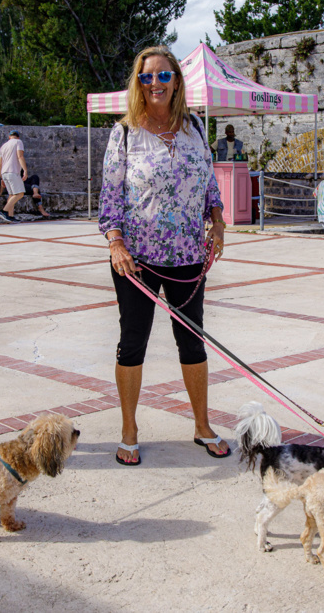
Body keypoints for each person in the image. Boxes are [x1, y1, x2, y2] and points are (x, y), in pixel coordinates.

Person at [99, 45, 228, 466]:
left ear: (176, 81)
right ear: (137, 84)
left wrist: (218, 220)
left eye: (163, 75)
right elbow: (110, 196)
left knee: (193, 340)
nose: (154, 83)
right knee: (132, 342)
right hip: (136, 259)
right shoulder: (124, 133)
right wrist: (116, 243)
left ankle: (201, 424)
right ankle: (129, 428)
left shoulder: (194, 127)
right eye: (146, 77)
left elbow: (209, 179)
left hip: (189, 254)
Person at [0, 130, 27, 222]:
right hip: (12, 171)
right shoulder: (18, 142)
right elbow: (20, 156)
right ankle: (4, 211)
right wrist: (25, 170)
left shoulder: (3, 146)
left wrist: (1, 177)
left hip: (4, 172)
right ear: (18, 137)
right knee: (19, 194)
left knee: (12, 194)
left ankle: (10, 216)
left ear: (9, 137)